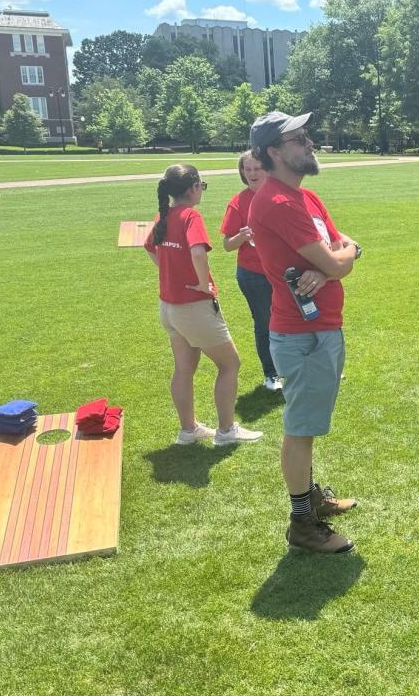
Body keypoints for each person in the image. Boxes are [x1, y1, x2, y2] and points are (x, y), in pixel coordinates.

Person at [247, 111, 361, 554]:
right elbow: (337, 260)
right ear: (274, 151)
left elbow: (342, 244)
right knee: (300, 428)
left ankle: (310, 495)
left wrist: (342, 255)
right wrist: (339, 261)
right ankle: (302, 522)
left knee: (307, 425)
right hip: (303, 335)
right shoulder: (277, 202)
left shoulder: (305, 198)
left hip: (320, 328)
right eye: (299, 139)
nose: (310, 143)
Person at [144, 164, 263, 448]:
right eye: (202, 186)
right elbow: (198, 252)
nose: (202, 191)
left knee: (184, 368)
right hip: (193, 307)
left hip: (169, 308)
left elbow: (148, 246)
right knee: (230, 363)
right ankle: (226, 431)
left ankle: (188, 431)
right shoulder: (190, 216)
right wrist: (201, 283)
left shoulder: (164, 215)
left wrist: (168, 272)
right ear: (193, 187)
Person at [220, 150, 281, 391]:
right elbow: (226, 245)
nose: (253, 173)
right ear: (242, 172)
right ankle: (271, 374)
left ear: (267, 168)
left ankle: (306, 368)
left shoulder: (281, 195)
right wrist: (241, 236)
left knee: (296, 319)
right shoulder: (238, 202)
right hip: (253, 274)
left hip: (283, 271)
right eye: (248, 169)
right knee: (265, 322)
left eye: (257, 168)